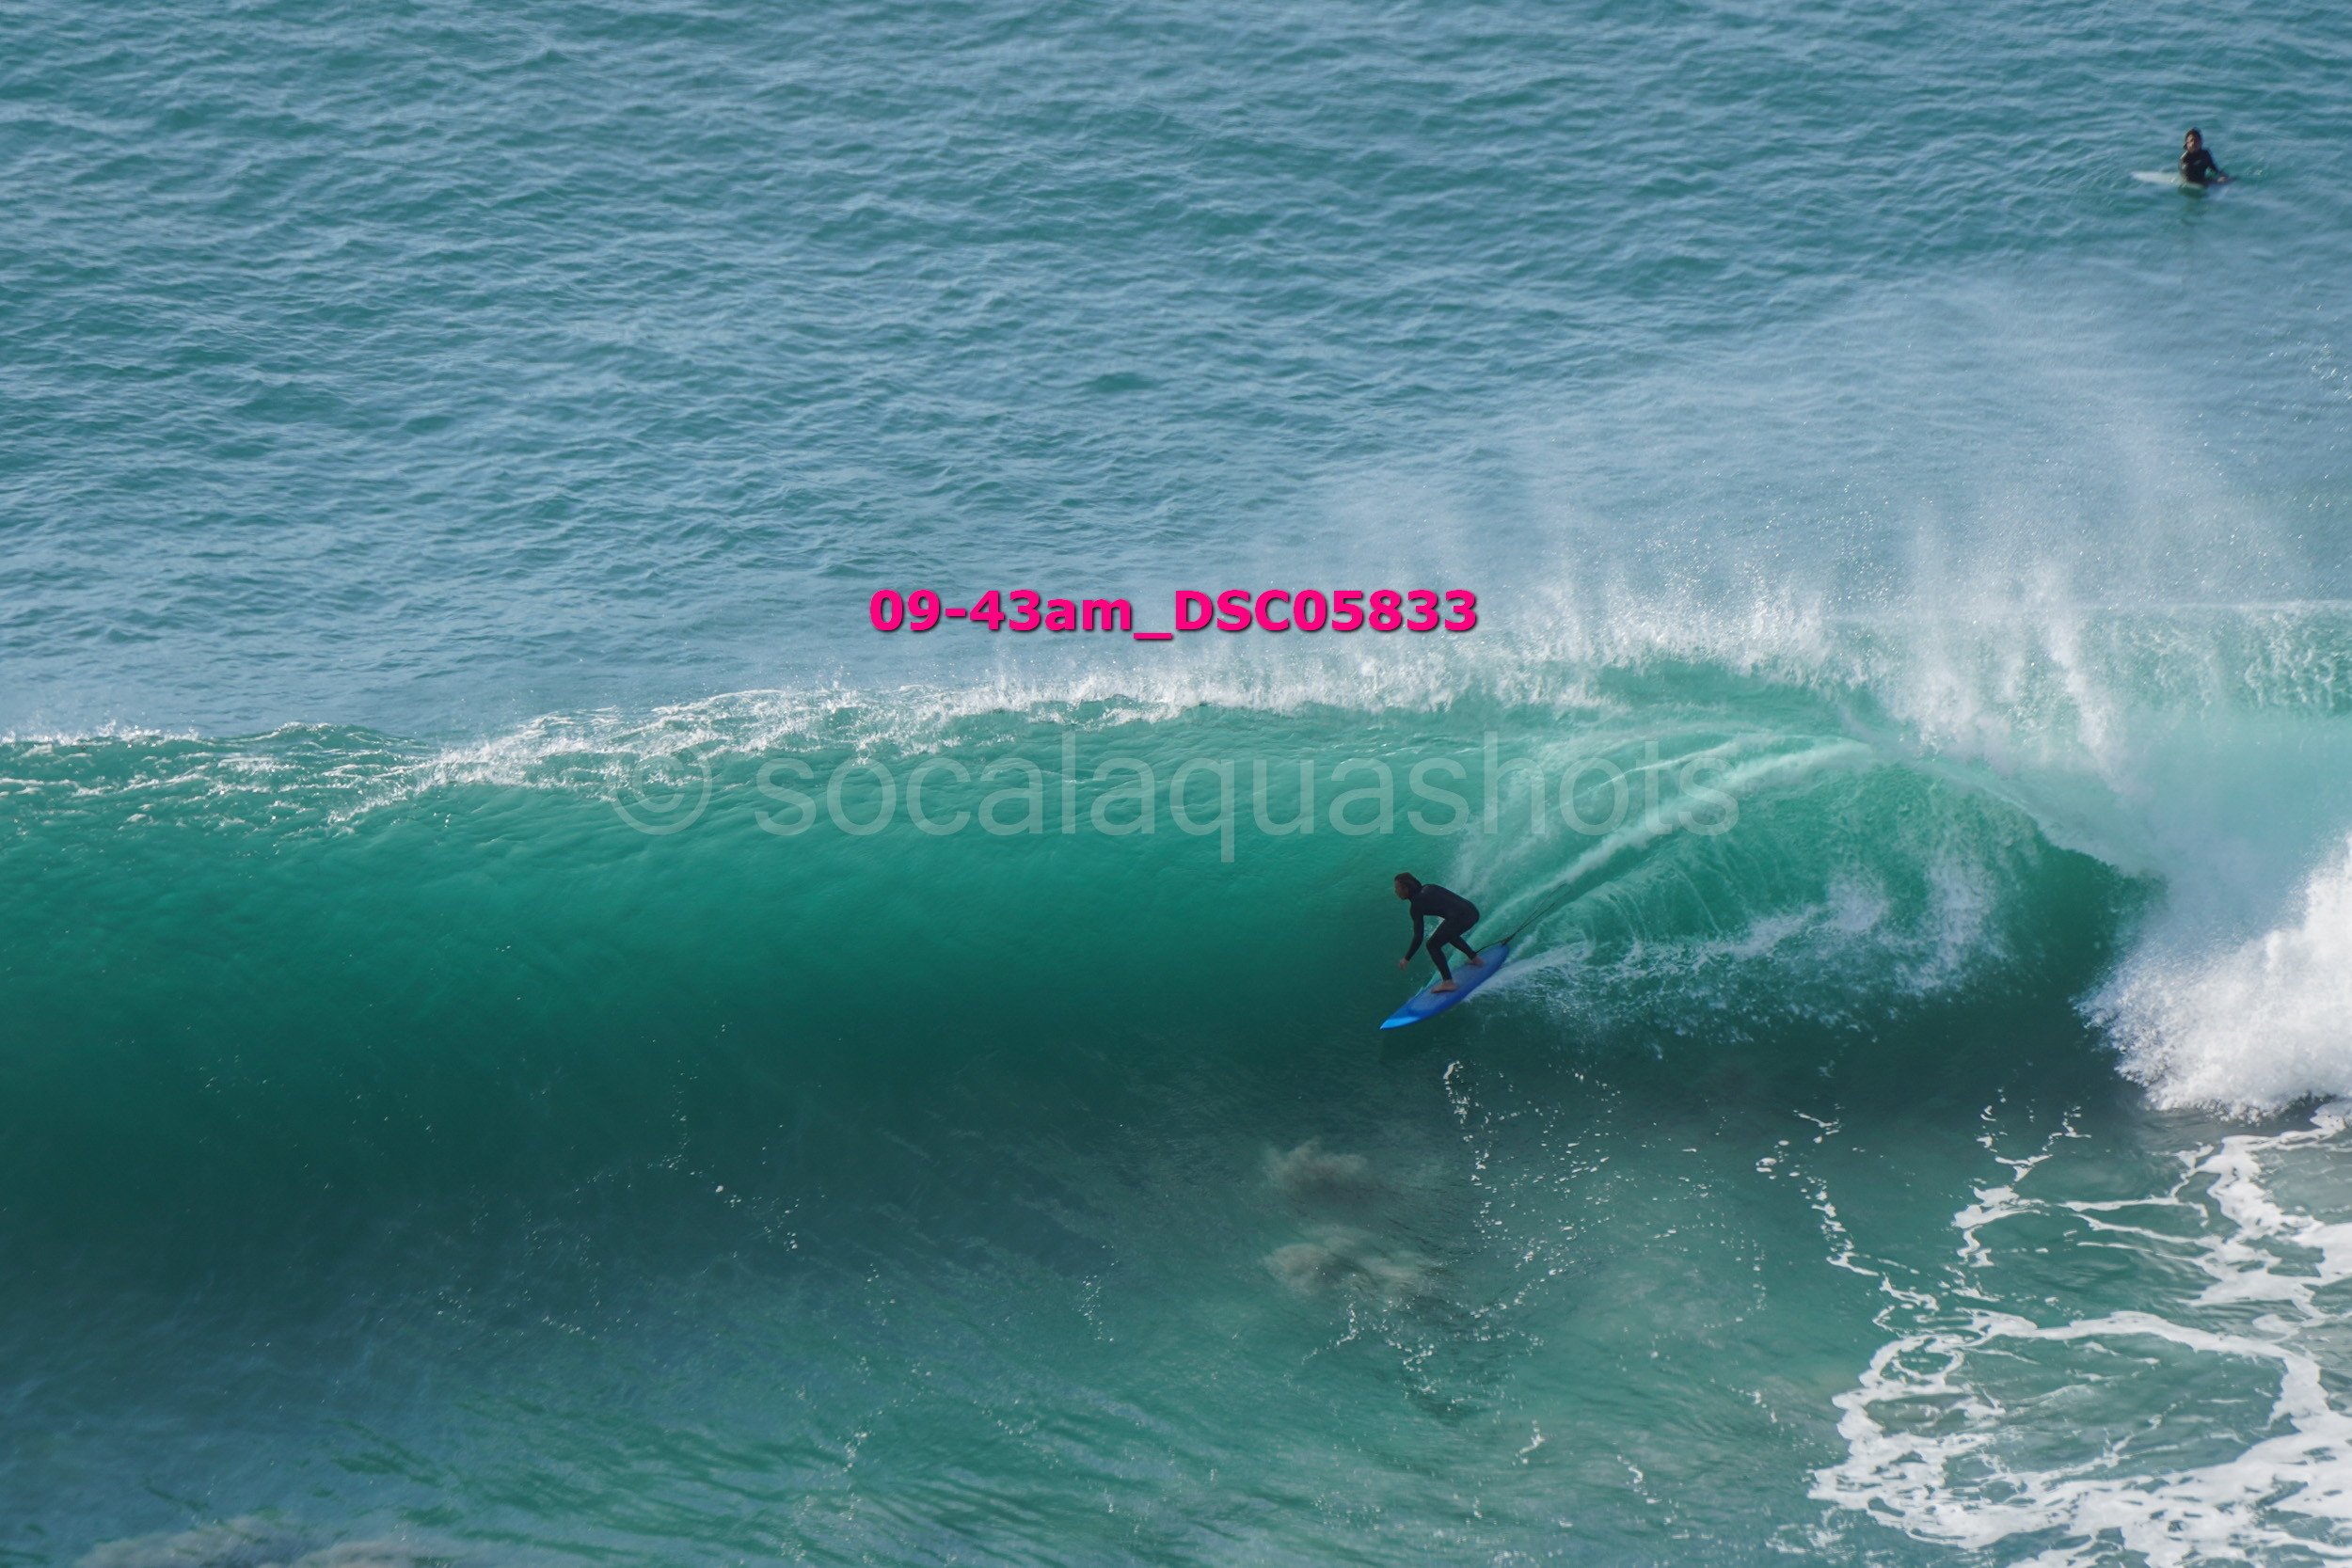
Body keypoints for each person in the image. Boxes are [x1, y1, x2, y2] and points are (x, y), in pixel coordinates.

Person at [1395, 873, 1484, 992]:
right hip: (1472, 911)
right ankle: (1475, 959)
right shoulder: (1429, 887)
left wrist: (1406, 958)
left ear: (1406, 888)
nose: (1396, 891)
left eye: (1397, 888)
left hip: (1461, 918)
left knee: (1432, 945)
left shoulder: (1416, 905)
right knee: (1449, 934)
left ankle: (1448, 982)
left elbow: (1418, 936)